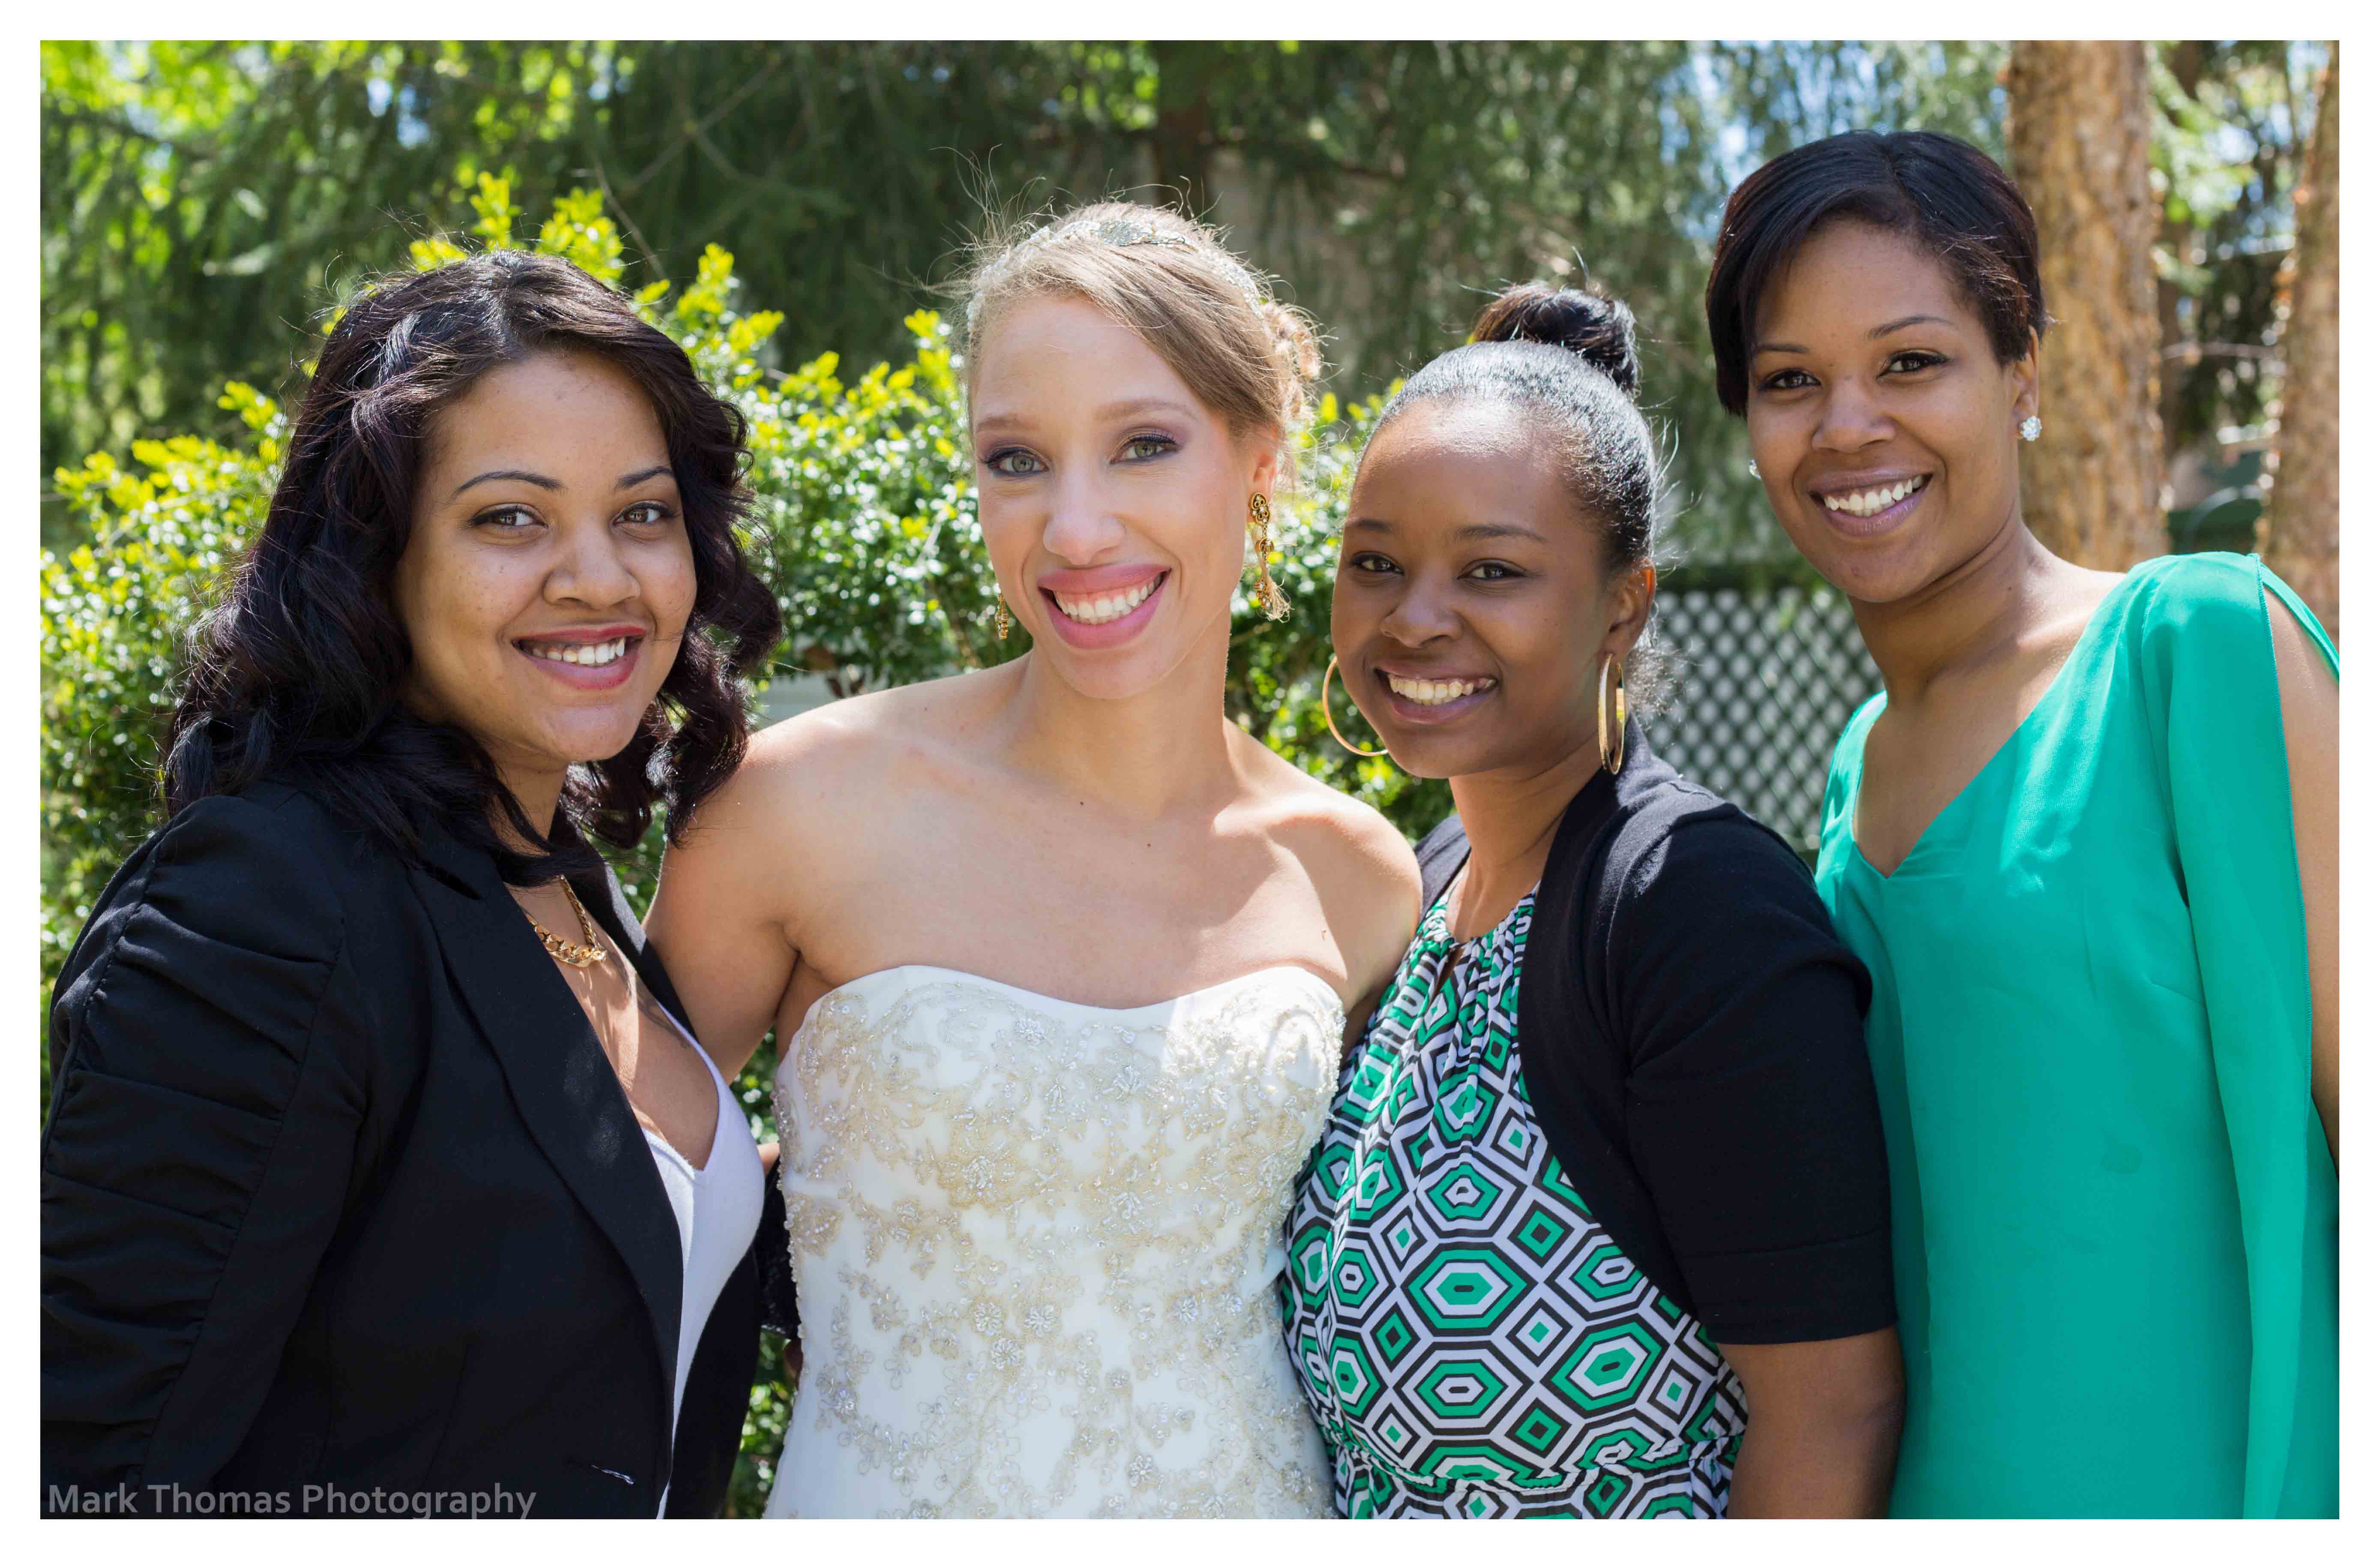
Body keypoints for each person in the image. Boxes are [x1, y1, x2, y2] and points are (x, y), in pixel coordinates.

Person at [645, 201, 1419, 1518]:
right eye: (1016, 458)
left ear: (1259, 462)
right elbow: (593, 1229)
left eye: (1143, 446)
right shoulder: (793, 806)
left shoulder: (1357, 875)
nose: (1073, 530)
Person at [41, 251, 784, 1518]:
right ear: (372, 555)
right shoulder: (266, 900)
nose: (599, 576)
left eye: (643, 513)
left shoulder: (568, 886)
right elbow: (90, 1481)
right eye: (510, 517)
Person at [1704, 129, 2340, 1518]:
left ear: (2024, 374)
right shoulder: (1848, 773)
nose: (1848, 424)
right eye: (1789, 381)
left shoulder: (2197, 648)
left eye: (1911, 361)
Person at [1282, 282, 1904, 1520]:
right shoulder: (1431, 881)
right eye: (1375, 564)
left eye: (1491, 571)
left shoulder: (1694, 912)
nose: (1414, 618)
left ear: (1623, 604)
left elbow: (1832, 1411)